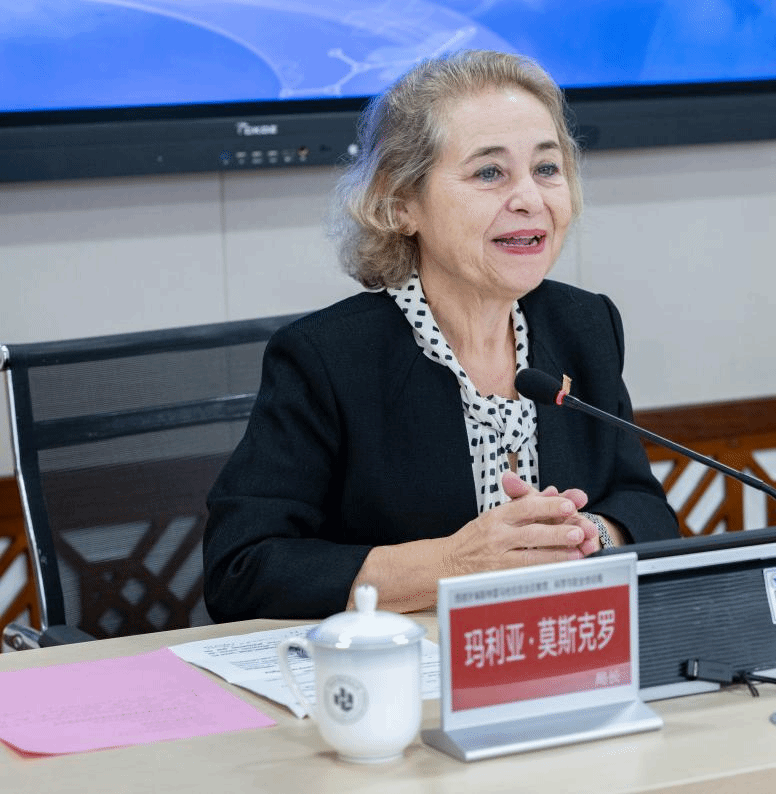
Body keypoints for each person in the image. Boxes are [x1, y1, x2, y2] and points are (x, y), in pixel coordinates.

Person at [202, 50, 681, 621]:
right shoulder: (328, 358)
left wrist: (586, 535)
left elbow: (644, 508)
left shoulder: (584, 325)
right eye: (489, 173)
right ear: (402, 203)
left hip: (561, 647)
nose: (531, 199)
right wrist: (453, 564)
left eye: (547, 168)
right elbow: (243, 570)